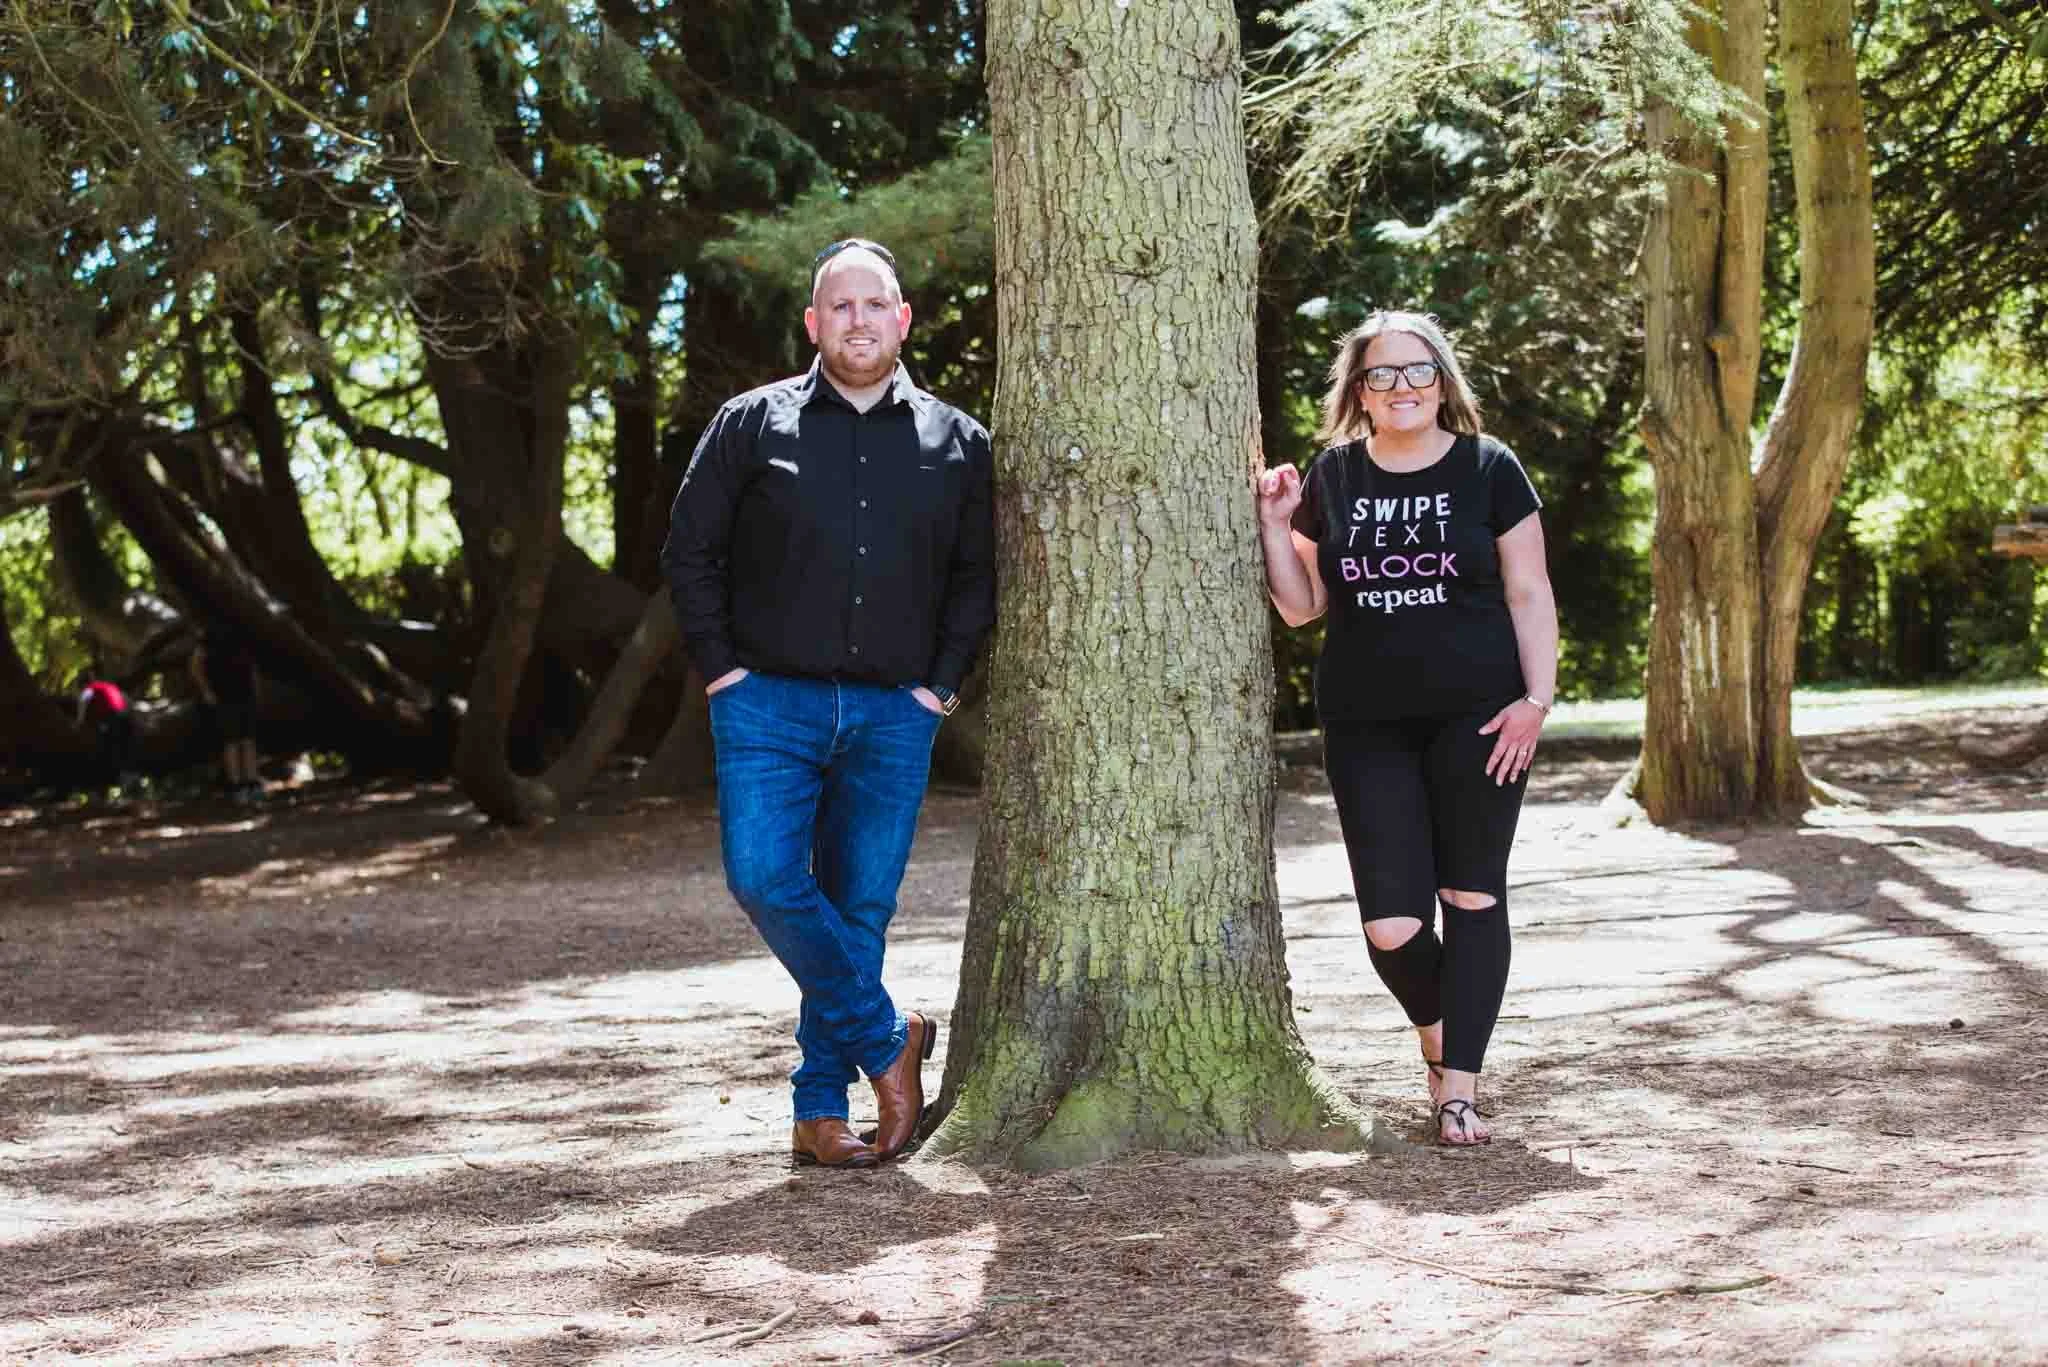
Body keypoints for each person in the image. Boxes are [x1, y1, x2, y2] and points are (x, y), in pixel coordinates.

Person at [661, 237, 997, 1170]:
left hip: (896, 710)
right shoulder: (748, 423)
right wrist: (723, 672)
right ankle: (890, 1039)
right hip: (767, 703)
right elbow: (691, 549)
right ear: (813, 323)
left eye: (874, 303)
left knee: (859, 907)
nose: (858, 320)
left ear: (903, 319)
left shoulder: (959, 442)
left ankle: (819, 1109)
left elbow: (976, 577)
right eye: (839, 305)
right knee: (763, 876)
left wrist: (939, 687)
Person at [1255, 310, 1558, 1147]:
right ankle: (1439, 1032)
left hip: (1482, 717)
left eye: (1418, 370)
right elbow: (1302, 605)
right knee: (1392, 926)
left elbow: (1529, 589)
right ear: (1359, 391)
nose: (1402, 387)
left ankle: (1458, 1089)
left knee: (1471, 895)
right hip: (1367, 721)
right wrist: (1276, 526)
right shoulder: (1335, 474)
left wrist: (1537, 699)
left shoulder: (1489, 467)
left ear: (1442, 380)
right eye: (1382, 374)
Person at [189, 627, 263, 805]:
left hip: (245, 693)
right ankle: (237, 786)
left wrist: (256, 689)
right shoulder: (209, 634)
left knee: (248, 741)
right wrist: (206, 691)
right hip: (223, 695)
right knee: (231, 742)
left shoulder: (241, 630)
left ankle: (252, 783)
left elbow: (252, 665)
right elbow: (196, 665)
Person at [74, 675, 137, 791]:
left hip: (112, 718)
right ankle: (129, 775)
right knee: (125, 746)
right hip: (126, 717)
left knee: (108, 747)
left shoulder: (88, 689)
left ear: (83, 685)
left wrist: (79, 722)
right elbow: (127, 700)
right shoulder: (108, 686)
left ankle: (115, 779)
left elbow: (82, 702)